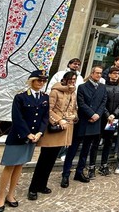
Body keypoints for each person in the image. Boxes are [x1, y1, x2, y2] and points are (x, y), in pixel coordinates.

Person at [0, 70, 49, 212]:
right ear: (32, 81)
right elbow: (17, 118)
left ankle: (11, 194)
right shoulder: (21, 97)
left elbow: (45, 117)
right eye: (38, 80)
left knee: (19, 166)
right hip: (18, 137)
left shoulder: (45, 98)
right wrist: (27, 134)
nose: (41, 83)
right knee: (9, 166)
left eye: (43, 81)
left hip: (33, 138)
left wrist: (39, 132)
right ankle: (1, 196)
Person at [28, 71, 77, 200]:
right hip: (53, 129)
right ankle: (33, 188)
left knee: (51, 161)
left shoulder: (73, 93)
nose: (72, 82)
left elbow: (74, 109)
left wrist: (74, 116)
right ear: (65, 79)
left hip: (65, 129)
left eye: (74, 79)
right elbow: (48, 110)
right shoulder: (55, 91)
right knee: (43, 160)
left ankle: (42, 185)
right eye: (70, 79)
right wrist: (58, 120)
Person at [61, 66, 107, 187]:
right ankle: (65, 174)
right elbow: (81, 103)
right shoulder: (82, 87)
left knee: (86, 150)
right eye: (97, 73)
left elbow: (103, 102)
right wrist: (91, 114)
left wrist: (97, 115)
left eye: (100, 73)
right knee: (73, 149)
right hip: (84, 121)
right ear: (91, 73)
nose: (99, 75)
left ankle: (79, 172)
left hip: (95, 121)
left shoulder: (102, 87)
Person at [89, 66, 119, 177]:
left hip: (113, 120)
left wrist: (114, 114)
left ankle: (104, 164)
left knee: (108, 142)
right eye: (114, 73)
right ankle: (91, 166)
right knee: (96, 142)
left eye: (118, 74)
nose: (116, 75)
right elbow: (101, 102)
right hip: (102, 118)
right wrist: (107, 114)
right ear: (109, 74)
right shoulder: (102, 87)